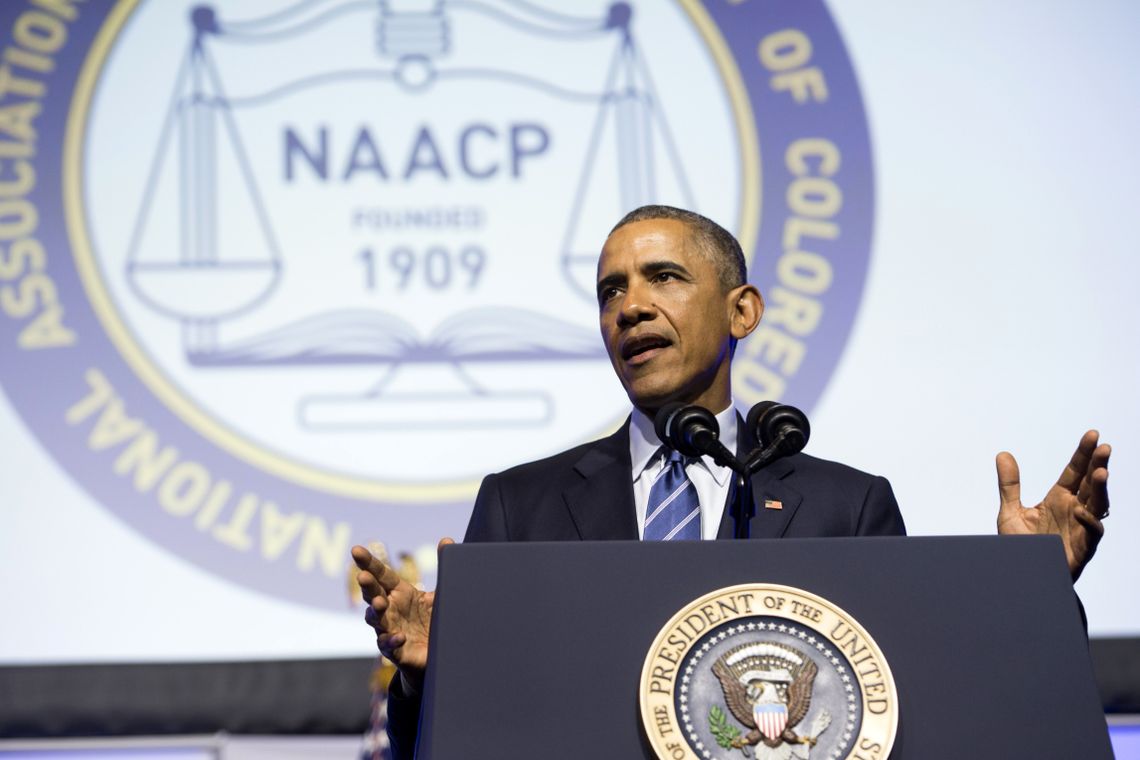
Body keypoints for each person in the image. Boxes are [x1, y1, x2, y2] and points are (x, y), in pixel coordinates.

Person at [351, 205, 1111, 758]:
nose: (631, 307)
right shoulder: (522, 504)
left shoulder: (848, 505)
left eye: (664, 277)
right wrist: (432, 674)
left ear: (742, 310)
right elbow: (462, 743)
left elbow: (910, 712)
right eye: (610, 292)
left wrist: (1034, 593)